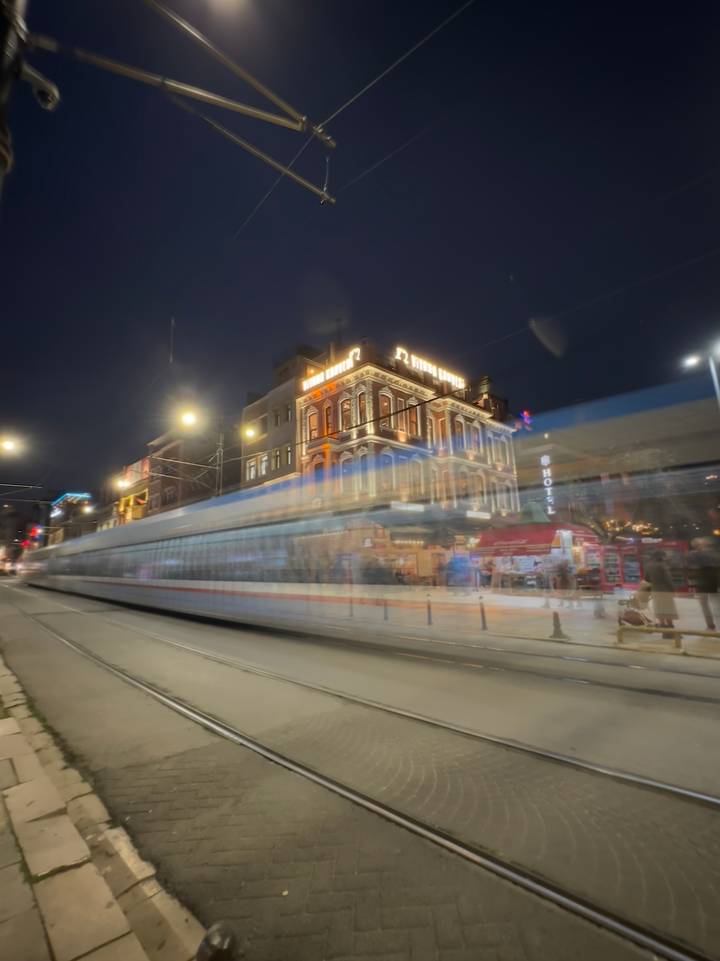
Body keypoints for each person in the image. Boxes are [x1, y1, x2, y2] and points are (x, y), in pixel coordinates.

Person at [643, 550, 678, 638]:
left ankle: (664, 632)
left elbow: (647, 579)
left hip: (655, 591)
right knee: (668, 610)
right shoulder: (662, 566)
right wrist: (673, 590)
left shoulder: (648, 566)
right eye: (664, 556)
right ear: (661, 557)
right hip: (665, 591)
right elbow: (668, 580)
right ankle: (671, 632)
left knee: (660, 611)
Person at [688, 537, 720, 631]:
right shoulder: (713, 554)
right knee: (715, 605)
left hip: (704, 584)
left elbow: (692, 567)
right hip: (713, 584)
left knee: (706, 606)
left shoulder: (693, 555)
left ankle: (711, 626)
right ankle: (711, 625)